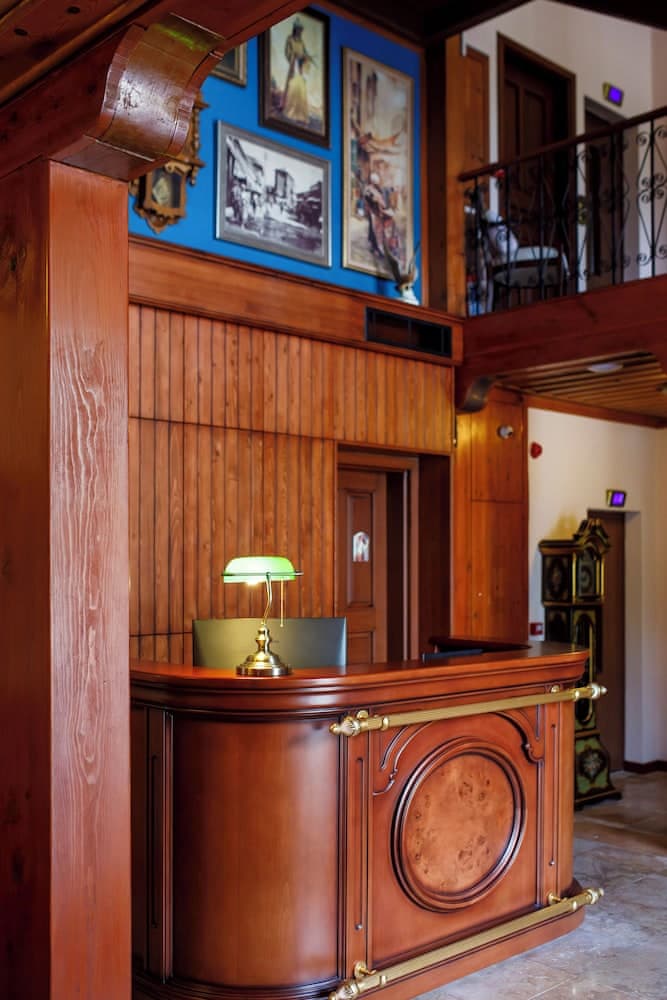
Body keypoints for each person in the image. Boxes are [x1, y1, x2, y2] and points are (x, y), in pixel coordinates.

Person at [281, 18, 312, 125]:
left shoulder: (301, 42)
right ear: (295, 29)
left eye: (301, 30)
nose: (299, 31)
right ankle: (290, 111)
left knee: (301, 88)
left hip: (300, 68)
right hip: (293, 67)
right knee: (292, 86)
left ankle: (301, 115)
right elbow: (287, 52)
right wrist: (294, 56)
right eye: (298, 29)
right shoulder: (290, 39)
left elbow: (304, 53)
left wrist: (306, 57)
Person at [363, 172, 393, 258]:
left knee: (376, 230)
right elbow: (369, 199)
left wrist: (383, 205)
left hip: (378, 213)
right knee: (375, 230)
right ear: (372, 182)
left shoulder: (377, 189)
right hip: (372, 213)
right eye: (375, 182)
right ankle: (377, 249)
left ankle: (375, 247)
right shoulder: (368, 189)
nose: (377, 184)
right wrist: (376, 200)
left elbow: (382, 200)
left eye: (377, 182)